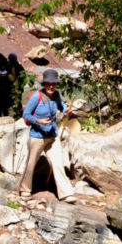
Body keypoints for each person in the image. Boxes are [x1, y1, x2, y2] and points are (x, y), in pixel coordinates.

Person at [19, 68, 75, 201]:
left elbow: (62, 107)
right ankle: (25, 189)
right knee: (31, 164)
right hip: (37, 137)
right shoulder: (36, 97)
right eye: (48, 83)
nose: (51, 86)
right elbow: (25, 114)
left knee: (58, 163)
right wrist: (38, 121)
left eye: (54, 84)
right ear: (44, 84)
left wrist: (67, 111)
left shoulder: (56, 96)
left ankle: (66, 193)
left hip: (52, 137)